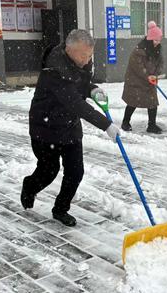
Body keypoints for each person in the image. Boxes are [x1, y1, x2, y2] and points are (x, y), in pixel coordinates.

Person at [21, 29, 120, 226]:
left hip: (69, 125)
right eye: (83, 55)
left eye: (90, 55)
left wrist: (92, 89)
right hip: (45, 127)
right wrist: (106, 124)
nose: (87, 60)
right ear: (69, 49)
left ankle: (60, 209)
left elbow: (80, 83)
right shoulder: (54, 70)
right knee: (49, 171)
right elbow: (75, 102)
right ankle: (29, 186)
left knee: (76, 172)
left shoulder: (79, 61)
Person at [121, 21, 164, 134]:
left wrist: (155, 74)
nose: (157, 43)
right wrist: (147, 76)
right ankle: (125, 122)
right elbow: (138, 67)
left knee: (153, 103)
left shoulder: (157, 49)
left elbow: (160, 63)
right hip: (136, 81)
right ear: (149, 39)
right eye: (155, 40)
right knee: (133, 102)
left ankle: (151, 125)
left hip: (150, 81)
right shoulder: (138, 50)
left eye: (159, 40)